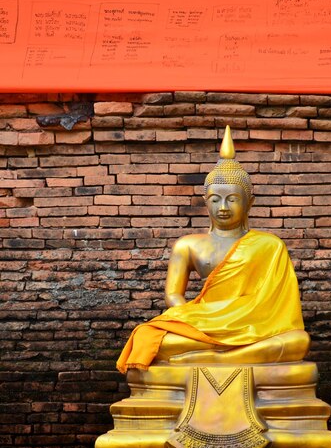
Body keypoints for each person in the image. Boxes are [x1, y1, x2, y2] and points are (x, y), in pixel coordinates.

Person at [116, 126, 310, 374]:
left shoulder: (270, 245)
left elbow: (279, 308)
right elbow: (174, 296)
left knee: (298, 341)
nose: (223, 207)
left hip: (253, 327)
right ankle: (224, 353)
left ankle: (212, 358)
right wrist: (196, 318)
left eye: (232, 199)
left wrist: (235, 319)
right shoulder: (188, 244)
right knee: (150, 338)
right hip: (204, 323)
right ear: (205, 201)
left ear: (249, 202)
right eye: (215, 199)